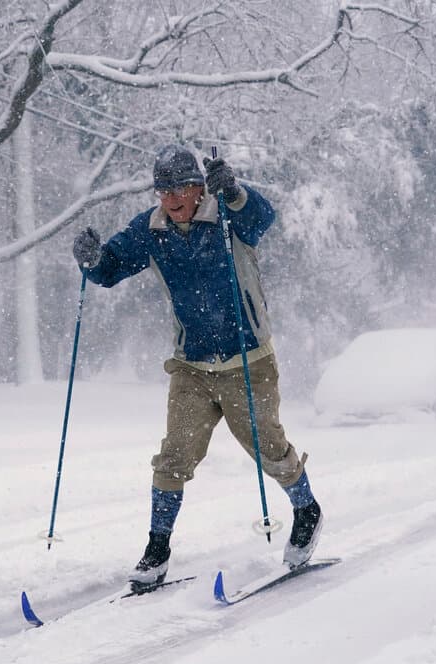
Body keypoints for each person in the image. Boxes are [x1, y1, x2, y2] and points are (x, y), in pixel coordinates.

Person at [71, 143, 322, 589]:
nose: (170, 200)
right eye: (162, 191)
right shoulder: (150, 230)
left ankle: (307, 510)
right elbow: (111, 269)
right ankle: (157, 549)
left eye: (178, 190)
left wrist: (237, 192)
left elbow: (263, 219)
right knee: (174, 456)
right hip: (191, 366)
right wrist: (92, 261)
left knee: (267, 445)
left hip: (249, 360)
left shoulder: (227, 214)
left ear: (197, 187)